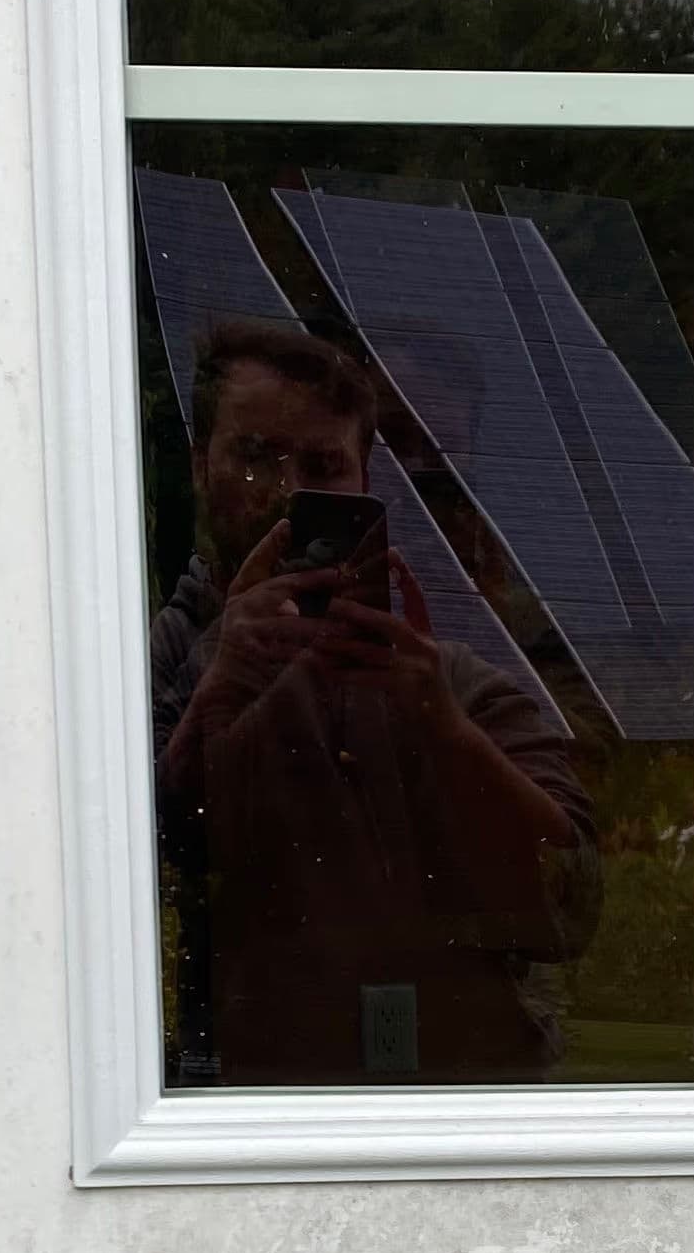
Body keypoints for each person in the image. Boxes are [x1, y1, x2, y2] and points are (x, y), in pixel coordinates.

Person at [151, 315, 600, 1082]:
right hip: (236, 1126)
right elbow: (128, 882)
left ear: (363, 484)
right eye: (257, 456)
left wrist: (441, 730)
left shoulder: (444, 673)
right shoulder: (133, 666)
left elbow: (568, 909)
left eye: (322, 465)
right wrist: (221, 680)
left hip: (467, 1113)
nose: (287, 493)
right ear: (201, 465)